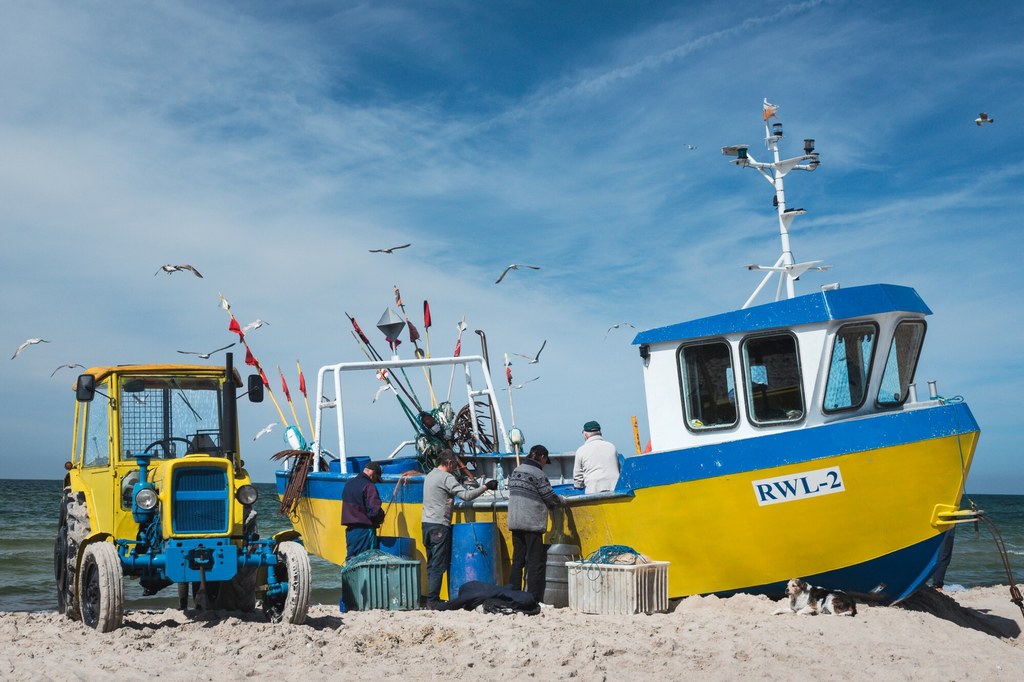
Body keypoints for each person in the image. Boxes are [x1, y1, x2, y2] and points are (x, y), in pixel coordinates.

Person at [421, 449, 498, 608]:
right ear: (449, 463)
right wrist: (486, 486)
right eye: (454, 465)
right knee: (438, 565)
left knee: (431, 564)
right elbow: (466, 496)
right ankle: (433, 601)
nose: (455, 468)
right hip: (439, 526)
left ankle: (431, 597)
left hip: (426, 524)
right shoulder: (446, 478)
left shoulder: (430, 475)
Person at [507, 444, 564, 603]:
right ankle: (532, 597)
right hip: (531, 523)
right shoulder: (538, 474)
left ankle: (513, 593)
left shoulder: (516, 471)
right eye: (546, 461)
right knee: (535, 561)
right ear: (542, 457)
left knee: (518, 560)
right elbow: (550, 498)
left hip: (515, 522)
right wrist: (561, 501)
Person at [341, 461, 385, 562]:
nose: (375, 482)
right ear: (372, 473)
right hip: (364, 532)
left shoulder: (349, 483)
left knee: (352, 561)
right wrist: (381, 517)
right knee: (367, 561)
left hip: (351, 532)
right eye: (376, 479)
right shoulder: (369, 486)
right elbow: (375, 511)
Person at [572, 420, 620, 494]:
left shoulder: (581, 451)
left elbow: (578, 479)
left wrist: (578, 486)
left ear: (586, 435)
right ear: (600, 433)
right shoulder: (611, 447)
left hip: (593, 490)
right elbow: (618, 468)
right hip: (614, 489)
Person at [931, 527, 956, 592]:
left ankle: (937, 584)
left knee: (940, 555)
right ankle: (937, 585)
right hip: (945, 527)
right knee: (944, 555)